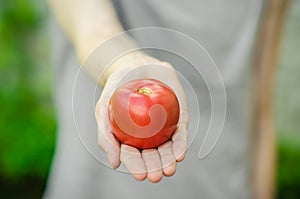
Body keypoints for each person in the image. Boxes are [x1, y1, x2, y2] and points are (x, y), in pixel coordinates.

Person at [44, 0, 288, 198]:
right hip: (102, 188)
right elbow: (94, 30)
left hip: (227, 184)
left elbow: (259, 105)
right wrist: (127, 63)